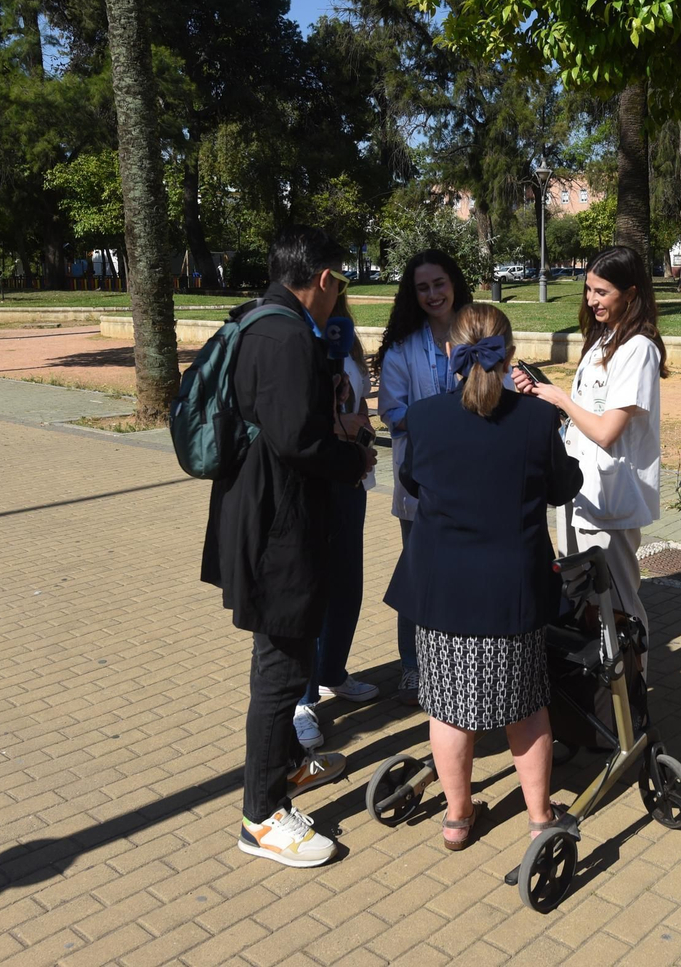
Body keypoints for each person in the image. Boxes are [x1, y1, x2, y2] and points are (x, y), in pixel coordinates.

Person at [200, 226, 374, 867]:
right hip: (279, 533)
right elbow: (301, 443)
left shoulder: (263, 319)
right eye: (342, 282)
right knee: (279, 675)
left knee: (290, 663)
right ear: (325, 278)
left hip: (276, 521)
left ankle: (290, 765)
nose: (341, 295)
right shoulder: (285, 335)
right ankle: (262, 815)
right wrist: (354, 452)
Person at [384, 304, 584, 849]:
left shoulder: (424, 418)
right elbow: (564, 486)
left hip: (442, 588)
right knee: (526, 707)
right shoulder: (538, 420)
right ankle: (540, 817)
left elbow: (414, 480)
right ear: (509, 354)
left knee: (448, 710)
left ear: (452, 352)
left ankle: (456, 817)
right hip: (510, 588)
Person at [515, 246, 666, 648]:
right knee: (584, 601)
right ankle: (602, 693)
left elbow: (606, 432)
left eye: (602, 292)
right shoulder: (603, 341)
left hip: (610, 501)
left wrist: (560, 398)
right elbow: (585, 419)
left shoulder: (638, 350)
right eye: (588, 290)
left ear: (630, 293)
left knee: (619, 604)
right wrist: (544, 398)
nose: (592, 300)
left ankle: (630, 701)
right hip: (579, 491)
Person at [376, 249, 475, 703]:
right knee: (418, 572)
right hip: (420, 480)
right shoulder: (402, 347)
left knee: (466, 571)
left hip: (473, 481)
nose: (433, 294)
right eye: (423, 287)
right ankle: (414, 665)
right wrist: (439, 418)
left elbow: (503, 388)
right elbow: (389, 410)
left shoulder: (479, 334)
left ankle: (462, 658)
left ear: (453, 283)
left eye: (439, 283)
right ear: (412, 294)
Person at [293, 292, 381, 750]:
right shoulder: (296, 341)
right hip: (313, 484)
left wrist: (357, 430)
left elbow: (362, 411)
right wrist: (346, 428)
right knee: (314, 589)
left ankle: (331, 672)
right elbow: (306, 424)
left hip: (352, 478)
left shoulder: (347, 345)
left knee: (348, 584)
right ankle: (302, 699)